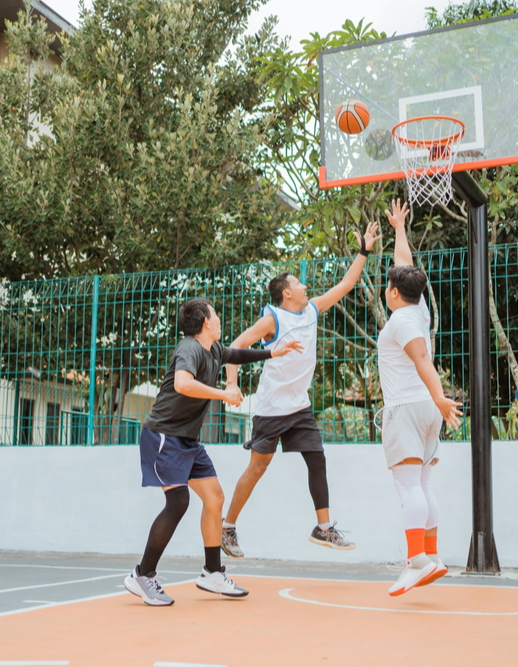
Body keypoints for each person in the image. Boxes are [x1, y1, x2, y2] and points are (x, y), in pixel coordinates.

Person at [124, 298, 302, 606]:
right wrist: (223, 394)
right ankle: (142, 574)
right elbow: (182, 383)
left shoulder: (214, 349)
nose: (219, 320)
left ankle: (212, 572)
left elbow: (239, 354)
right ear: (206, 321)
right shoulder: (189, 349)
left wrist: (275, 352)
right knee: (178, 502)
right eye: (216, 315)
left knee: (215, 498)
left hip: (187, 440)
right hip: (164, 436)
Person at [220, 222, 381, 558]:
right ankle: (228, 526)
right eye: (298, 284)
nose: (304, 286)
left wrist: (363, 250)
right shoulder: (273, 320)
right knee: (257, 468)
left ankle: (323, 528)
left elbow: (346, 284)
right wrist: (232, 383)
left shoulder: (312, 309)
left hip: (299, 406)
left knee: (317, 458)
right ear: (286, 293)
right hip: (272, 408)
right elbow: (235, 346)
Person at [378, 199, 463, 596]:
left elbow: (422, 359)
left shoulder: (400, 321)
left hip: (407, 408)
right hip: (425, 409)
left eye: (388, 285)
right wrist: (399, 228)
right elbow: (405, 265)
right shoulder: (419, 308)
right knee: (422, 485)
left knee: (408, 487)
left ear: (393, 292)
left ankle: (417, 561)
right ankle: (430, 556)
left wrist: (441, 396)